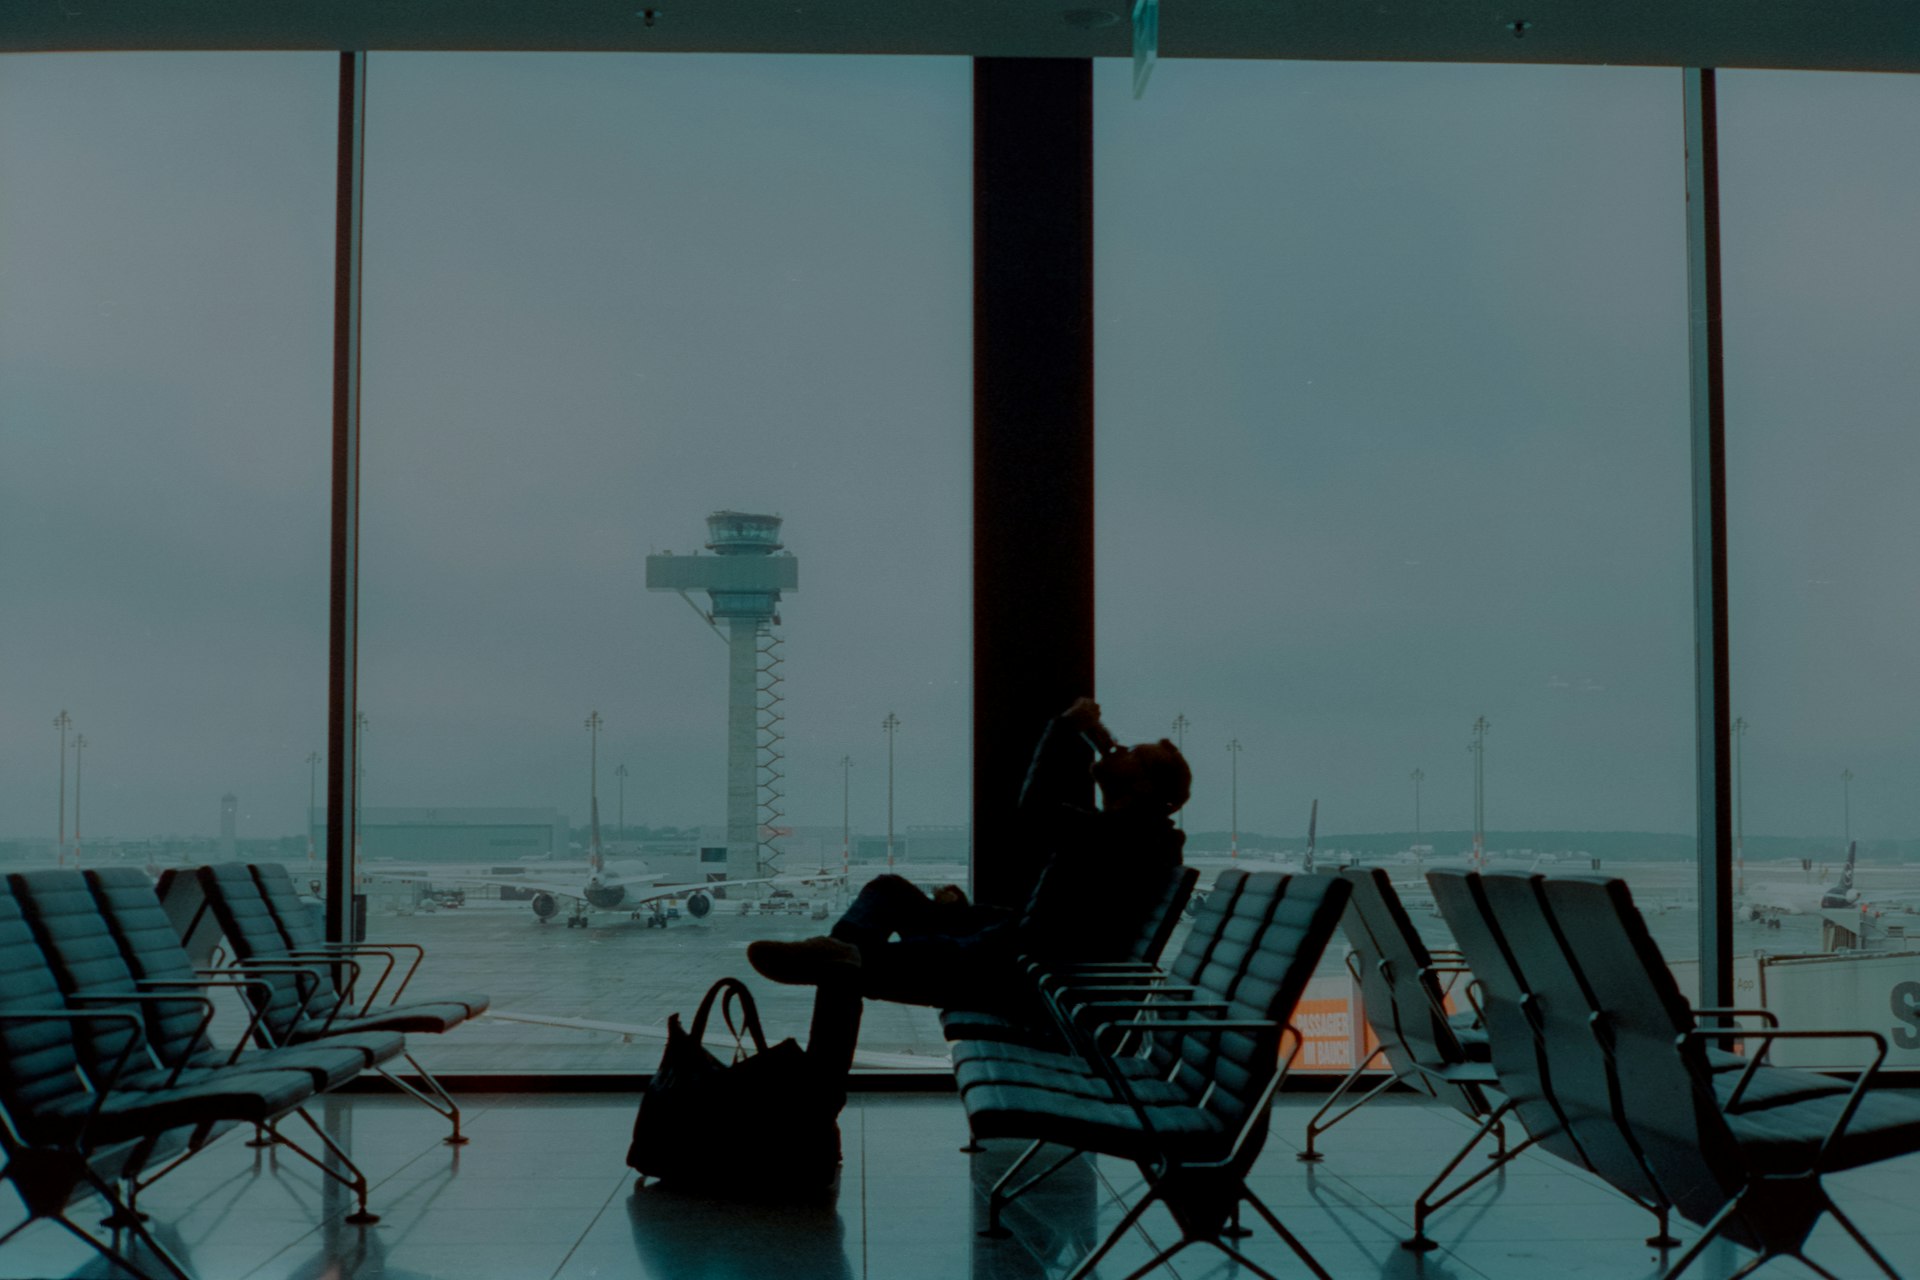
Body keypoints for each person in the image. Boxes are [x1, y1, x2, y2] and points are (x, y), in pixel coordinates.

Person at [747, 698, 1190, 1020]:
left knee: (858, 959)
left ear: (1146, 788)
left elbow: (1034, 810)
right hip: (1019, 952)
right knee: (887, 893)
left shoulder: (1128, 837)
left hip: (1020, 973)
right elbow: (1059, 922)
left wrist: (1063, 728)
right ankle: (838, 953)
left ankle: (839, 959)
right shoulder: (1133, 836)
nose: (1118, 749)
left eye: (1134, 754)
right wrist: (969, 914)